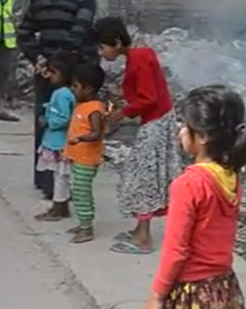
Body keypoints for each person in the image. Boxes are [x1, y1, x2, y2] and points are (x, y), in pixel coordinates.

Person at [140, 85, 246, 309]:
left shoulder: (189, 184)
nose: (180, 131)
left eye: (184, 124)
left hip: (188, 295)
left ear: (202, 136)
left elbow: (176, 249)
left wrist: (157, 296)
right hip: (220, 289)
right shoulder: (230, 175)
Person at [16, 0, 97, 204]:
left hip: (44, 72)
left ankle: (43, 178)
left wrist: (40, 60)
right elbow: (78, 35)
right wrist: (60, 66)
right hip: (71, 76)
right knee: (71, 125)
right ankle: (60, 187)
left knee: (46, 120)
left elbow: (24, 33)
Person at [96, 16, 181, 255]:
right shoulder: (139, 56)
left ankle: (144, 238)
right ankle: (139, 228)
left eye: (102, 47)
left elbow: (148, 98)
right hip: (158, 119)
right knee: (144, 174)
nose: (101, 53)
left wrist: (122, 113)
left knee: (142, 177)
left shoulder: (139, 59)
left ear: (115, 41)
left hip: (156, 122)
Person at [62, 64, 106, 243]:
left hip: (87, 159)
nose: (72, 90)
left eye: (75, 86)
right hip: (78, 157)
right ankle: (83, 223)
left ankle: (87, 228)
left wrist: (80, 139)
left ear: (87, 88)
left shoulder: (94, 109)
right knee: (78, 190)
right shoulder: (83, 104)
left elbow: (97, 133)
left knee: (82, 192)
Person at [33, 53, 76, 222]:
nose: (49, 76)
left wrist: (47, 120)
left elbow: (64, 118)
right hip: (59, 141)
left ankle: (58, 207)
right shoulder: (66, 93)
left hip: (58, 141)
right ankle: (61, 205)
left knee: (60, 176)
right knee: (61, 176)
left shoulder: (61, 94)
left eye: (52, 72)